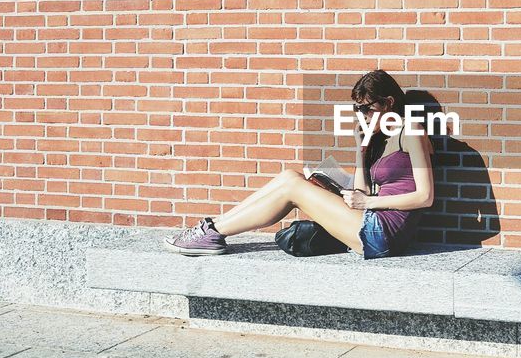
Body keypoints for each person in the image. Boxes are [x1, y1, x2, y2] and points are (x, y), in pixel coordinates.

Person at [162, 69, 435, 259]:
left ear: (388, 102)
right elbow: (362, 192)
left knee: (292, 187)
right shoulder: (379, 137)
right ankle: (211, 227)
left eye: (367, 108)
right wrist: (361, 148)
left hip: (383, 233)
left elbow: (425, 197)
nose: (362, 114)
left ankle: (212, 232)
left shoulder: (411, 130)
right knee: (288, 176)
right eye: (357, 109)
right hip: (369, 219)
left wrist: (369, 204)